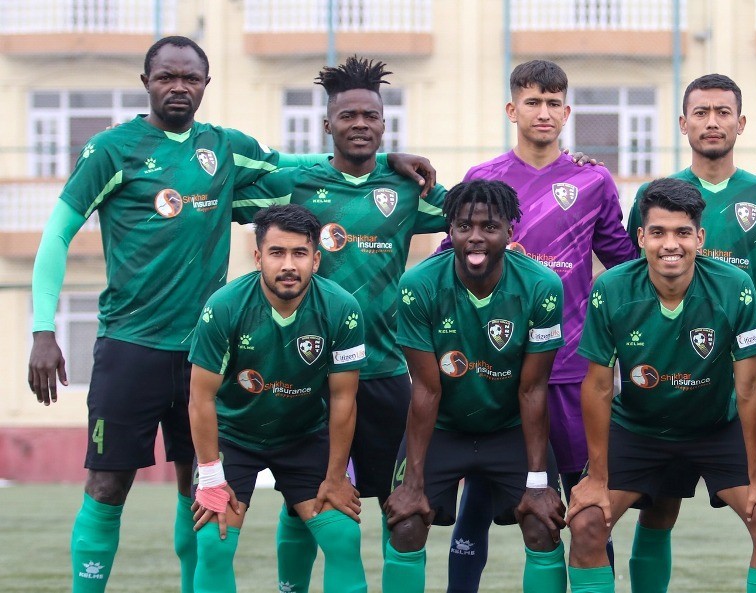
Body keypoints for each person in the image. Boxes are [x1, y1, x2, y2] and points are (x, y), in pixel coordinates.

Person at [24, 36, 431, 593]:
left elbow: (297, 163)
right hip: (131, 345)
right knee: (106, 485)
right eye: (166, 77)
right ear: (146, 82)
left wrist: (383, 161)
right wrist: (43, 328)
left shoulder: (224, 147)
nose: (178, 87)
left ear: (205, 85)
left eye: (190, 78)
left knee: (198, 493)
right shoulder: (112, 150)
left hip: (206, 354)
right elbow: (57, 234)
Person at [231, 55, 447, 593]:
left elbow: (475, 216)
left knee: (401, 506)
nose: (359, 124)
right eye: (347, 115)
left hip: (384, 371)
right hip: (309, 376)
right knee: (305, 500)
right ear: (327, 124)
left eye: (370, 116)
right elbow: (221, 199)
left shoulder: (405, 188)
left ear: (384, 123)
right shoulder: (296, 183)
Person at [444, 59, 635, 591]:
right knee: (478, 499)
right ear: (512, 110)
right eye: (532, 102)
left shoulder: (592, 179)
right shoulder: (482, 179)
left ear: (567, 112)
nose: (543, 112)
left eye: (553, 103)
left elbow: (623, 263)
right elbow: (449, 255)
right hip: (497, 370)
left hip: (571, 368)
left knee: (587, 501)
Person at [567, 177, 756, 593]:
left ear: (699, 238)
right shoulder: (610, 289)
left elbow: (751, 386)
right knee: (587, 523)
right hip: (639, 428)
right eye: (658, 232)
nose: (670, 244)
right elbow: (597, 387)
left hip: (717, 426)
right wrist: (597, 477)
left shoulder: (735, 287)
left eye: (682, 233)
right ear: (641, 238)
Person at [622, 74, 756, 592]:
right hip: (666, 379)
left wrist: (744, 304)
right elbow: (638, 271)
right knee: (658, 509)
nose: (712, 122)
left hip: (741, 384)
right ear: (683, 123)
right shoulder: (655, 195)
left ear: (741, 123)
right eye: (701, 112)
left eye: (723, 112)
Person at [383, 180, 567, 593]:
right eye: (464, 226)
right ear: (450, 230)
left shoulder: (542, 286)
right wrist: (413, 484)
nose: (476, 237)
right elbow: (426, 390)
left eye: (490, 226)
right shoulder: (418, 285)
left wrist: (538, 483)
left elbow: (533, 390)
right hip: (443, 428)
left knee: (543, 525)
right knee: (406, 523)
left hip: (510, 429)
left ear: (510, 231)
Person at [188, 204, 368, 593]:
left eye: (299, 253)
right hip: (233, 436)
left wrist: (336, 477)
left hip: (304, 435)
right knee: (214, 541)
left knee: (343, 538)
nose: (288, 265)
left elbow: (344, 399)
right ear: (258, 258)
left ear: (316, 260)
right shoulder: (224, 307)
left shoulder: (342, 309)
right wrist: (212, 477)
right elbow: (200, 398)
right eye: (277, 253)